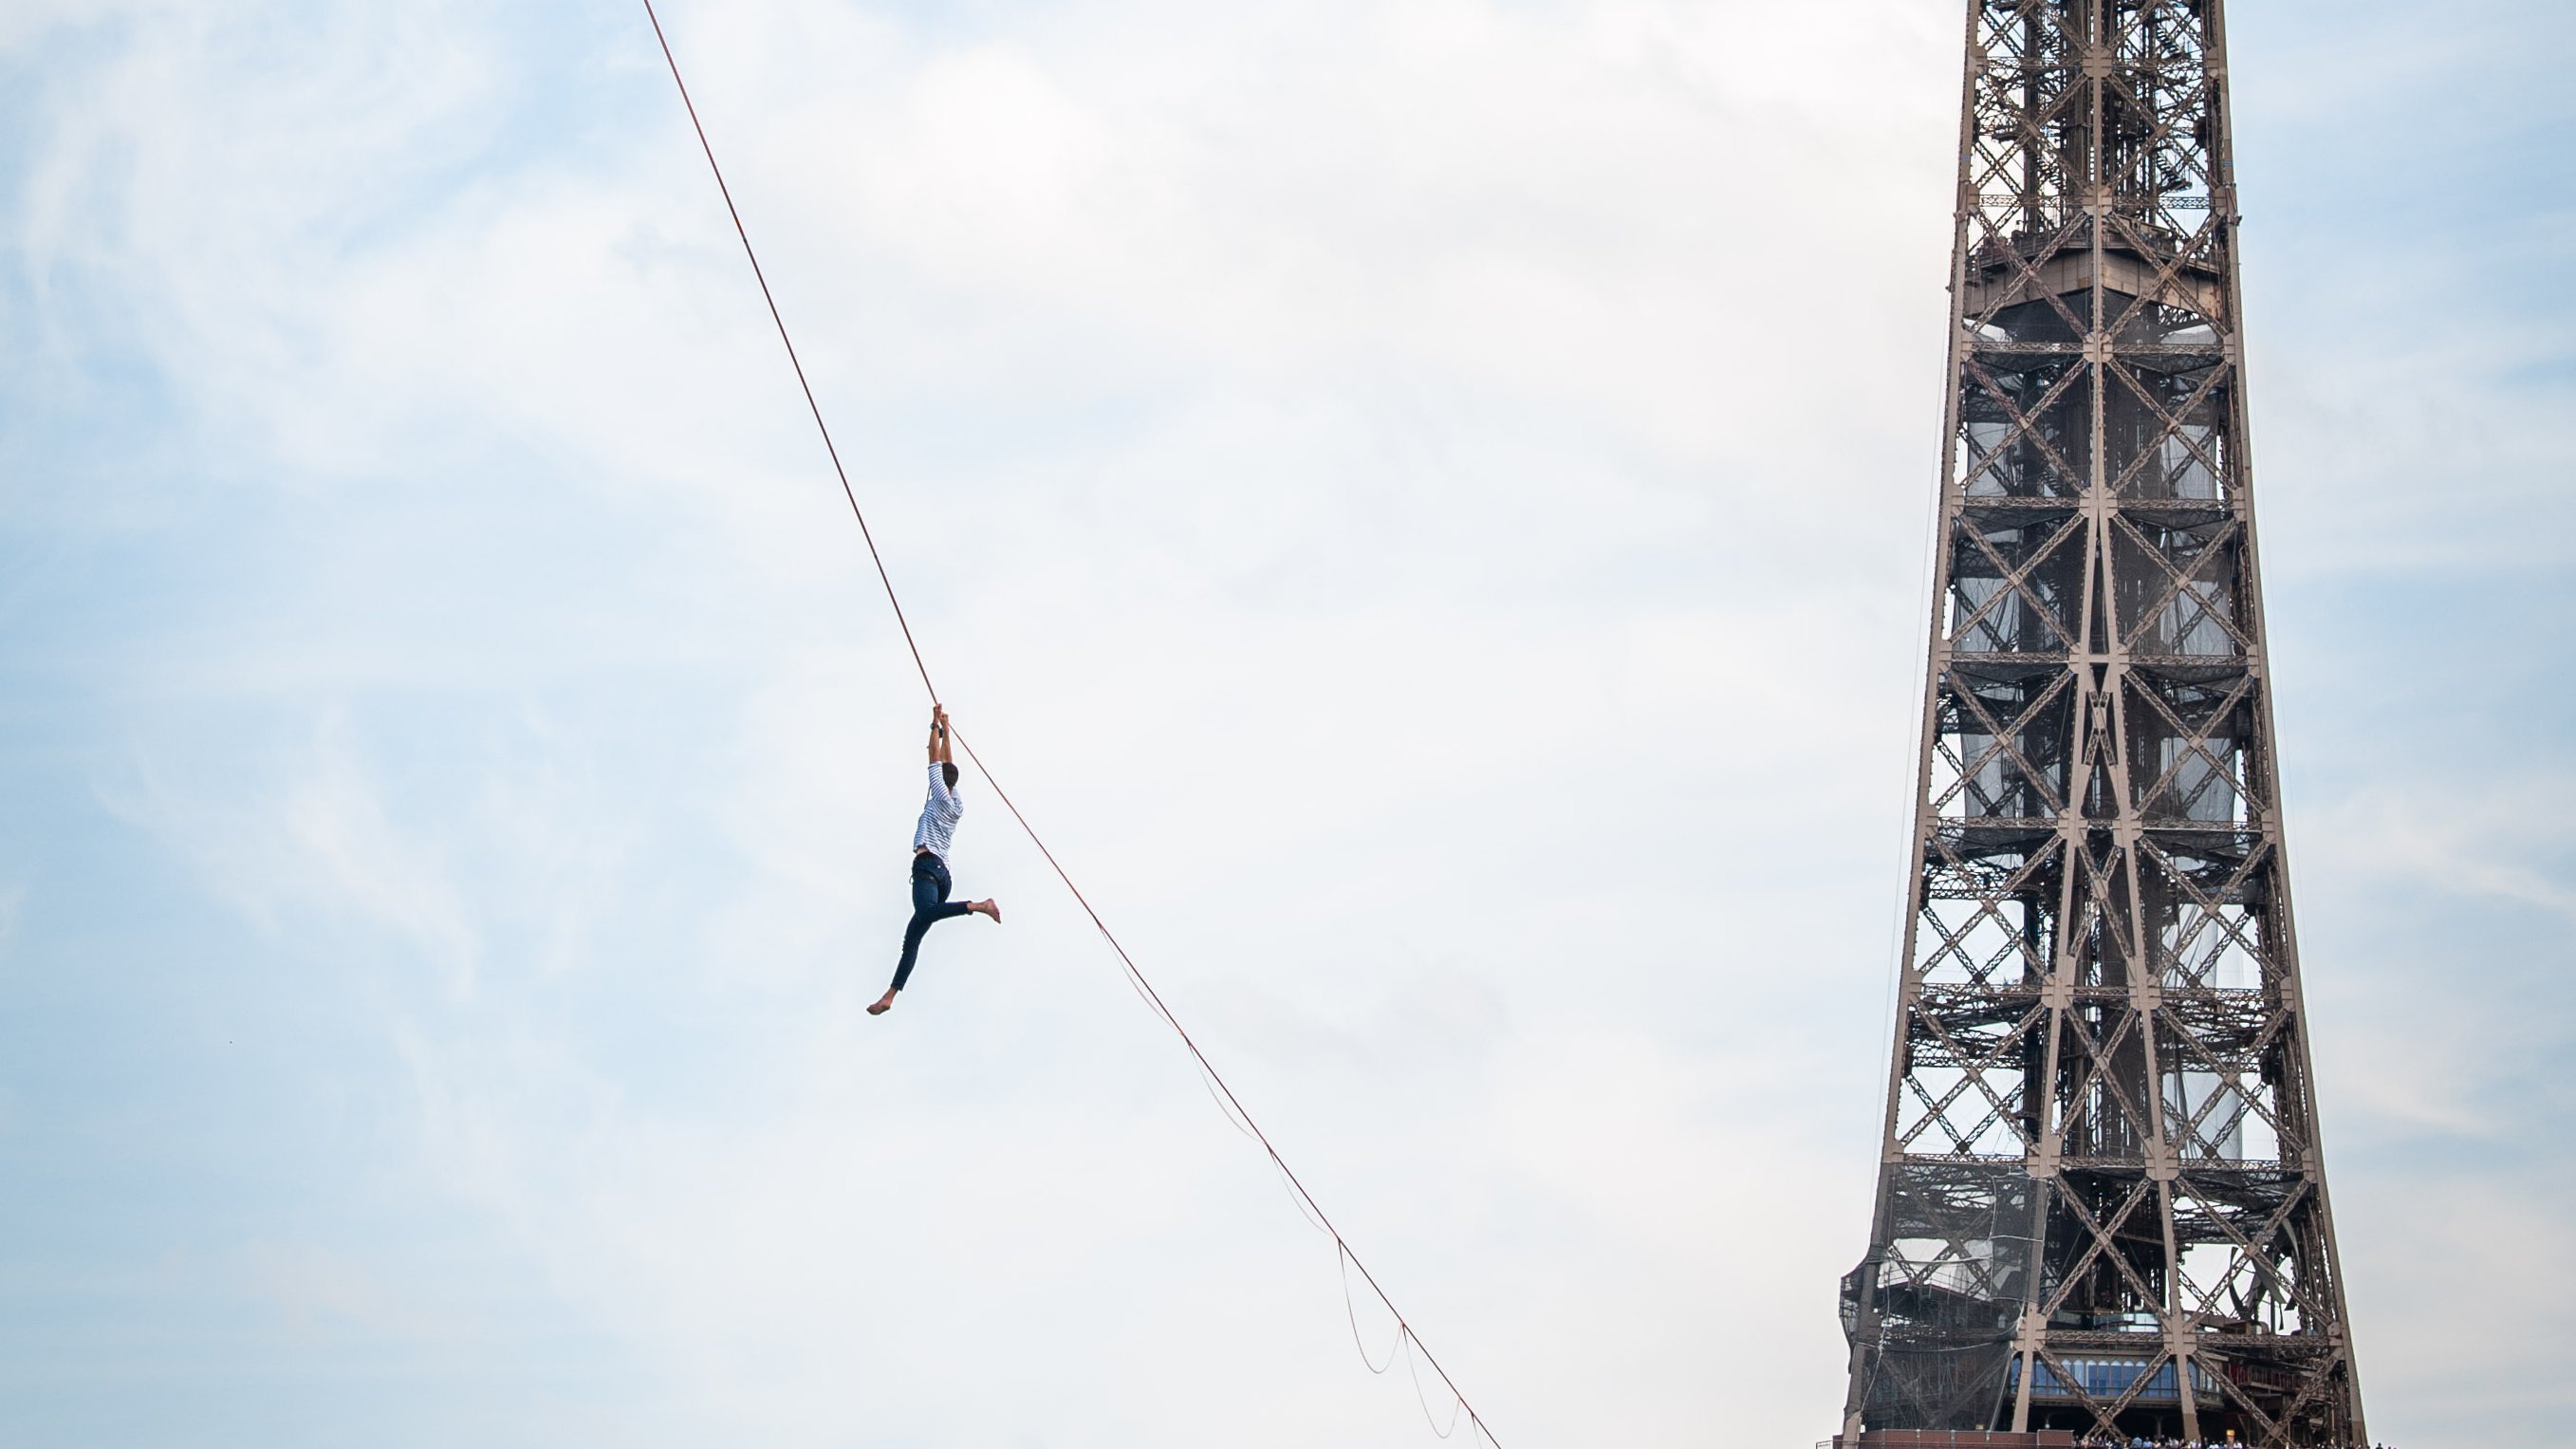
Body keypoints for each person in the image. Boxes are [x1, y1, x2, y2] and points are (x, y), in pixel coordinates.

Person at [869, 704, 999, 1015]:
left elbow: (935, 759)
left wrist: (934, 728)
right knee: (913, 937)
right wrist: (947, 728)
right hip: (943, 878)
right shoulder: (955, 801)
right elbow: (948, 763)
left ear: (942, 781)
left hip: (929, 868)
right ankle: (890, 995)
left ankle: (979, 906)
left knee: (925, 914)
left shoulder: (941, 793)